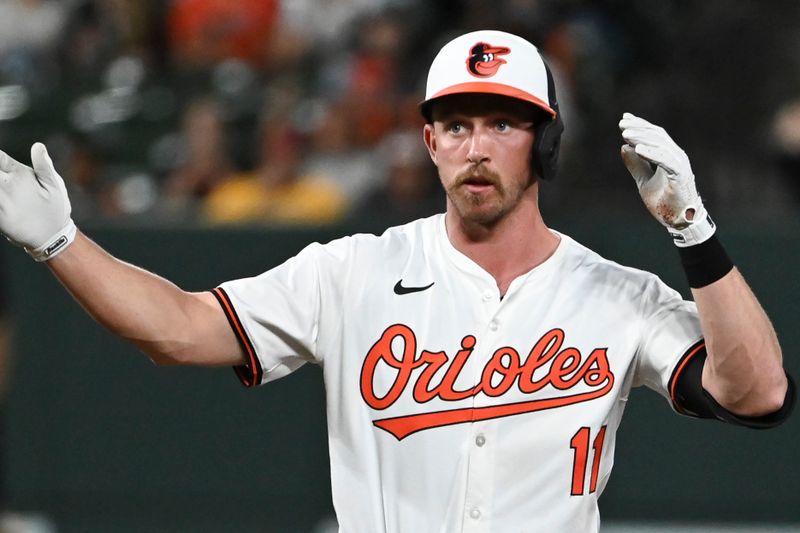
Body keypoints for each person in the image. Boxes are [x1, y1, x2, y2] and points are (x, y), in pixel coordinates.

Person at [0, 30, 794, 532]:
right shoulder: (354, 271)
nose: (475, 145)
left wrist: (694, 232)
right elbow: (177, 328)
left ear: (545, 143)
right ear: (429, 140)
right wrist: (63, 243)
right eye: (456, 123)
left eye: (502, 123)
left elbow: (759, 392)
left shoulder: (617, 294)